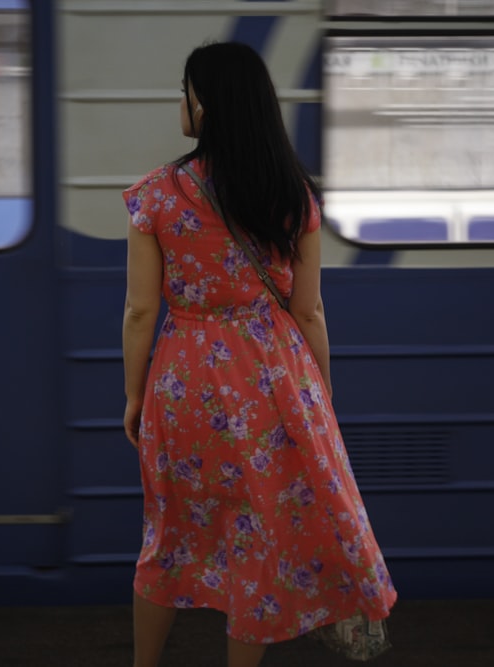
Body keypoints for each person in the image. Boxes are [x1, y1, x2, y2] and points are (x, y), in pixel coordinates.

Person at [121, 41, 397, 667]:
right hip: (273, 384)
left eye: (185, 91)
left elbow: (140, 312)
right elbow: (309, 312)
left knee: (166, 536)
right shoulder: (291, 194)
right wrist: (319, 397)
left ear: (208, 104)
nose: (180, 103)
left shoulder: (156, 196)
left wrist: (136, 395)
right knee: (254, 541)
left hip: (183, 382)